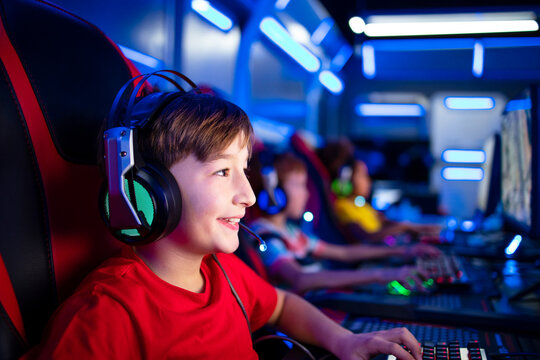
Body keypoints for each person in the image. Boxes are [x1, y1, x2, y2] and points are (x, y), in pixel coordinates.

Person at [24, 80, 423, 360]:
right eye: (221, 172)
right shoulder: (107, 315)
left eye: (244, 171)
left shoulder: (225, 274)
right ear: (146, 189)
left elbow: (281, 304)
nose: (248, 196)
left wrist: (344, 341)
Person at [249, 152, 440, 295]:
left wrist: (403, 251)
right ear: (274, 193)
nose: (306, 193)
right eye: (299, 185)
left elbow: (344, 252)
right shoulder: (264, 236)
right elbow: (301, 279)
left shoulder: (290, 231)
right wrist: (380, 275)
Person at [318, 139, 441, 244]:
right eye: (363, 176)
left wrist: (419, 228)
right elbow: (367, 238)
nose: (368, 182)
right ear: (346, 181)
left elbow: (383, 221)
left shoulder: (361, 205)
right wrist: (404, 227)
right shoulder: (343, 207)